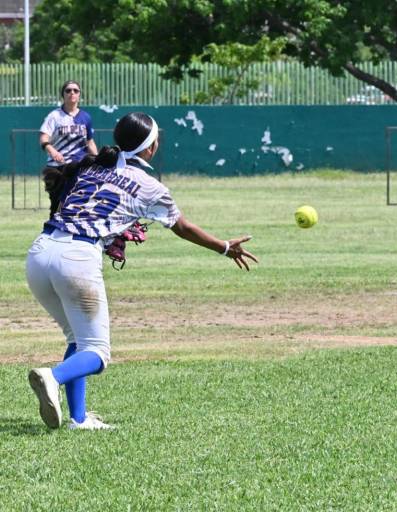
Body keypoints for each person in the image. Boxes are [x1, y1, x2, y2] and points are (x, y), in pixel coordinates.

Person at [26, 112, 258, 430]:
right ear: (150, 148)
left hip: (40, 252)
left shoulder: (93, 166)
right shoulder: (150, 186)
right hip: (77, 257)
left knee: (78, 339)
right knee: (97, 352)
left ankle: (78, 419)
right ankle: (52, 376)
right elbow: (183, 227)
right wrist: (224, 246)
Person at [40, 80, 99, 218]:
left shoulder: (85, 117)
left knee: (79, 204)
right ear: (63, 95)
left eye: (75, 90)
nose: (72, 93)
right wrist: (51, 150)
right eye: (68, 90)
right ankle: (52, 234)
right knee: (57, 206)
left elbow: (90, 142)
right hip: (58, 168)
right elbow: (44, 137)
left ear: (79, 95)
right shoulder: (54, 116)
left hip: (79, 166)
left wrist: (98, 160)